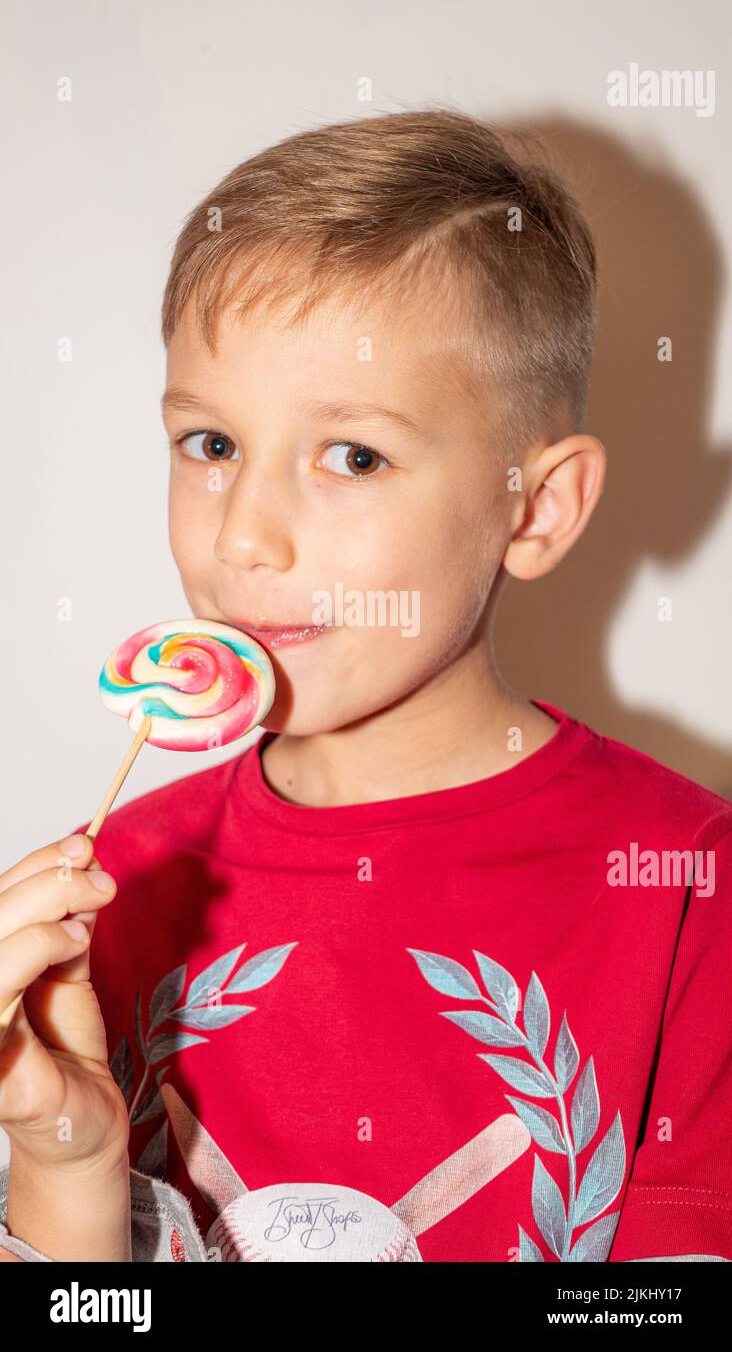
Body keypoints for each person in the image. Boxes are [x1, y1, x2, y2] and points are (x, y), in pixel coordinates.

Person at [1, 107, 730, 1263]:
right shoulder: (112, 888)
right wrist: (63, 1164)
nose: (244, 538)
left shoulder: (691, 888)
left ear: (534, 509)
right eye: (211, 445)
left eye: (353, 457)